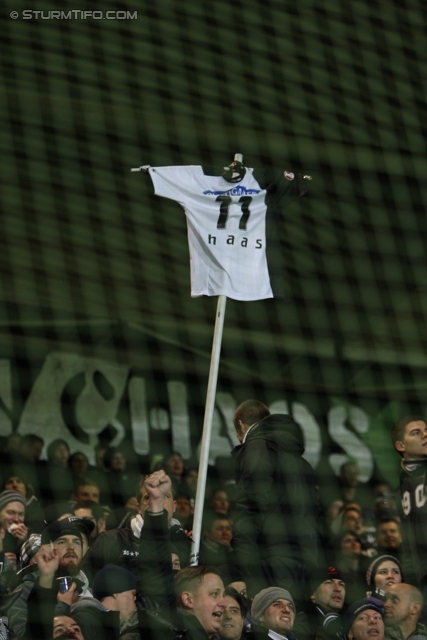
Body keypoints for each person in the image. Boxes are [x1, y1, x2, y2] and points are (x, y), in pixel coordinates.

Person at [231, 400, 319, 599]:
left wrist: (242, 558)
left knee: (272, 623)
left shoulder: (256, 447)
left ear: (241, 424)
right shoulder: (302, 463)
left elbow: (251, 503)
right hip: (304, 561)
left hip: (271, 558)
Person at [391, 416, 427, 586]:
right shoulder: (402, 486)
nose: (425, 435)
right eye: (416, 433)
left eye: (426, 431)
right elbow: (407, 542)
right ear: (401, 446)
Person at [293, 565, 345, 640]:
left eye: (341, 584)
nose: (338, 589)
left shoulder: (349, 623)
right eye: (329, 583)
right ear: (312, 594)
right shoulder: (304, 623)